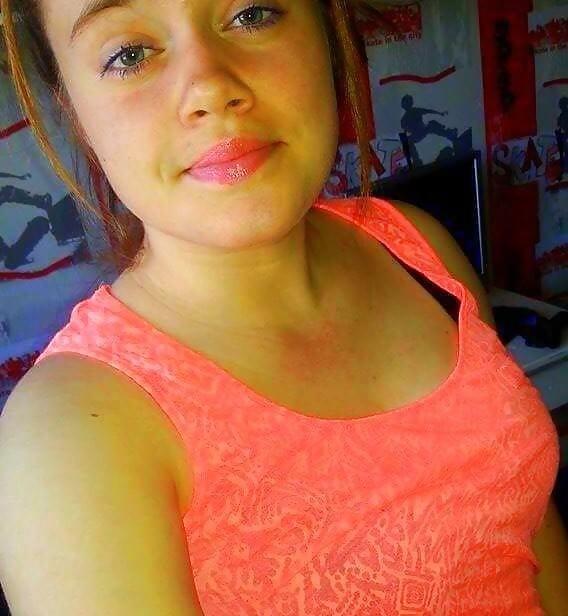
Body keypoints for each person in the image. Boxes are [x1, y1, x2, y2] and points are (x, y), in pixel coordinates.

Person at [0, 1, 567, 614]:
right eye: (129, 54)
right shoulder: (70, 438)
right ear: (75, 110)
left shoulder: (416, 248)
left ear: (325, 28)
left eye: (252, 13)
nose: (211, 87)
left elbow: (527, 527)